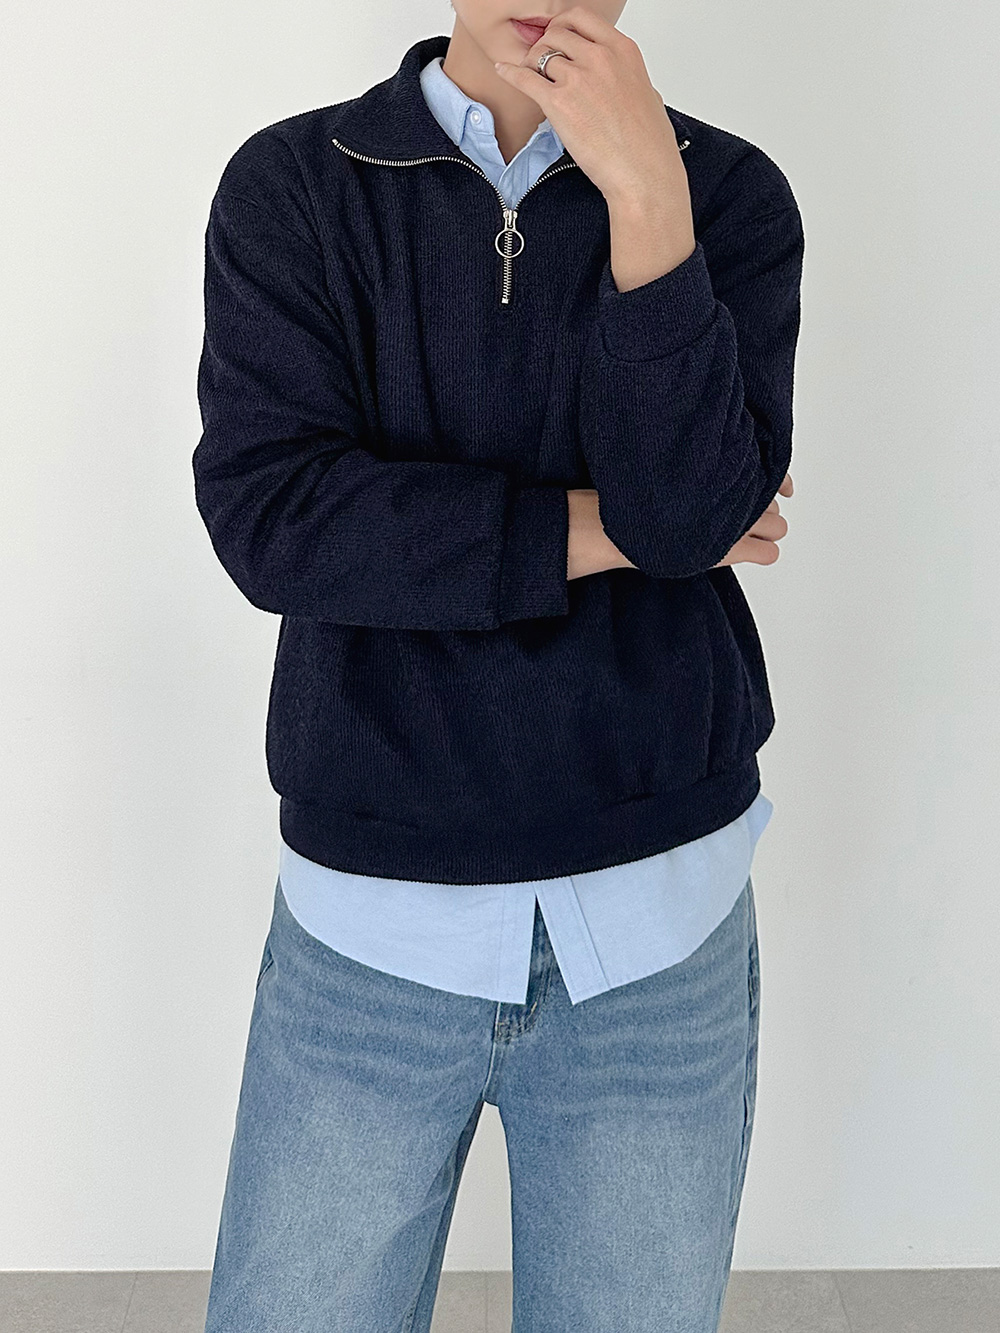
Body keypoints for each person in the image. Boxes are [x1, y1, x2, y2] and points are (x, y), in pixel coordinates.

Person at [193, 2, 804, 1329]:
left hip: (656, 927)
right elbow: (278, 521)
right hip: (370, 925)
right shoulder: (296, 185)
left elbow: (693, 511)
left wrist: (648, 201)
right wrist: (612, 531)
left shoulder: (728, 194)